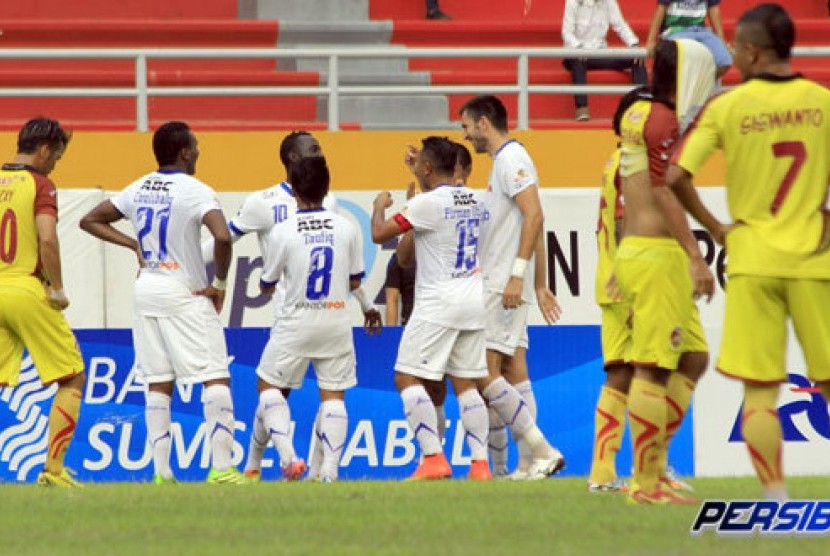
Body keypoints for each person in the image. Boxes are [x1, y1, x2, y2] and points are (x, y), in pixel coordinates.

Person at [666, 3, 830, 502]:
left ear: (753, 50)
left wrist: (716, 228)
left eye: (735, 45)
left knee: (760, 390)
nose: (731, 51)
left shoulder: (728, 107)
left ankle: (776, 497)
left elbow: (675, 176)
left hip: (753, 259)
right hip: (813, 259)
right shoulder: (822, 101)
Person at [202, 130, 381, 481]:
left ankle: (286, 465)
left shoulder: (328, 204)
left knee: (270, 391)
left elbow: (341, 273)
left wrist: (365, 304)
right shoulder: (262, 202)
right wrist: (189, 261)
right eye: (313, 149)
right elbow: (225, 239)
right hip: (313, 315)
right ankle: (264, 466)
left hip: (297, 317)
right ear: (293, 159)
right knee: (304, 394)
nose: (320, 153)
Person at [80, 121, 245, 485]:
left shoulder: (137, 187)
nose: (199, 150)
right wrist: (219, 282)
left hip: (146, 289)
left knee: (157, 381)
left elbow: (89, 219)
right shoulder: (196, 190)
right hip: (183, 291)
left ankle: (162, 473)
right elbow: (222, 235)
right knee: (215, 375)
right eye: (196, 145)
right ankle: (221, 469)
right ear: (184, 152)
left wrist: (133, 245)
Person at [612, 38, 718, 504]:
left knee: (693, 358)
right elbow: (663, 192)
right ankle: (645, 481)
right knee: (652, 368)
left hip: (645, 251)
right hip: (657, 255)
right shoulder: (664, 122)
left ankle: (653, 470)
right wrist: (697, 255)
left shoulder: (639, 113)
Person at [371, 136, 497, 481]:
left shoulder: (426, 204)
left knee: (406, 377)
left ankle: (433, 457)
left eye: (420, 165)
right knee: (467, 384)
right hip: (473, 298)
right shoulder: (477, 199)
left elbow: (380, 234)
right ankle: (480, 465)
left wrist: (379, 206)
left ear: (427, 168)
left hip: (438, 302)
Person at [459, 95, 565, 479]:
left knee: (483, 372)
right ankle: (526, 464)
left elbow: (534, 214)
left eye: (467, 127)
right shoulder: (504, 163)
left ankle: (542, 449)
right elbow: (532, 219)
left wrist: (518, 275)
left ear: (484, 123)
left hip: (502, 283)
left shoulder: (511, 160)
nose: (467, 135)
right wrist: (537, 282)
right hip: (507, 282)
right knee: (515, 368)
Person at [255, 156, 378, 483]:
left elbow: (267, 285)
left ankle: (289, 458)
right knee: (334, 396)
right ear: (326, 189)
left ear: (293, 189)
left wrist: (268, 285)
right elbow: (354, 281)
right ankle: (329, 470)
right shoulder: (348, 228)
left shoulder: (283, 230)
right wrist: (367, 307)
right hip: (336, 320)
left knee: (269, 388)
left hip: (296, 322)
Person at [0, 118, 85, 487]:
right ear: (45, 149)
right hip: (25, 289)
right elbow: (47, 239)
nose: (55, 165)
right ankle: (53, 471)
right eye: (58, 157)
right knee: (72, 377)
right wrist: (58, 288)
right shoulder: (40, 184)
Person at [561, 0, 648, 122]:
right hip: (576, 53)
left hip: (600, 52)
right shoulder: (573, 2)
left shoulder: (608, 2)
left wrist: (634, 44)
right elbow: (567, 32)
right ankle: (582, 108)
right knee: (578, 60)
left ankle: (643, 104)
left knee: (636, 58)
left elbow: (620, 25)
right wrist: (578, 47)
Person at [645, 0, 732, 77]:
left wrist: (721, 40)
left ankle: (699, 84)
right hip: (675, 30)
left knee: (725, 61)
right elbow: (660, 9)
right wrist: (651, 41)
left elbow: (713, 8)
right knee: (680, 62)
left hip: (701, 30)